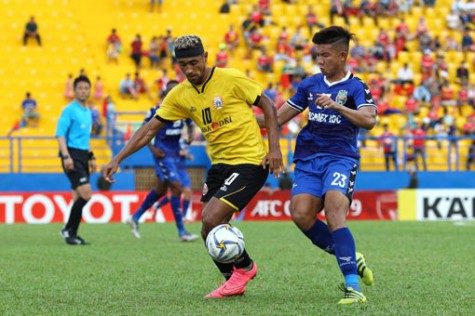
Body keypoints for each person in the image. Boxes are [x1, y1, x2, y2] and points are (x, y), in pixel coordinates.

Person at [103, 34, 283, 299]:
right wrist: (117, 158)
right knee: (206, 229)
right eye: (183, 65)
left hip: (250, 161)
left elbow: (266, 104)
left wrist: (274, 149)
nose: (189, 70)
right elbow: (148, 129)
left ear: (205, 58)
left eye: (194, 63)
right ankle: (232, 281)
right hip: (219, 164)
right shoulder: (180, 95)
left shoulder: (231, 78)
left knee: (212, 218)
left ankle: (245, 268)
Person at [257, 26, 375, 304]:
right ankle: (351, 256)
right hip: (309, 159)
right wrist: (234, 117)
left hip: (341, 159)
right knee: (300, 215)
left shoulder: (357, 87)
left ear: (342, 56)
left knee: (335, 213)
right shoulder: (310, 85)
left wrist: (338, 107)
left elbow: (369, 120)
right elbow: (276, 118)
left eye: (325, 55)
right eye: (317, 55)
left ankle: (353, 287)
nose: (320, 61)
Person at [127, 80, 198, 241]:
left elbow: (191, 124)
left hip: (177, 155)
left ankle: (135, 217)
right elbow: (144, 132)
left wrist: (191, 135)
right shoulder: (155, 111)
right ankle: (181, 231)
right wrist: (152, 149)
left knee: (160, 190)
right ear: (166, 94)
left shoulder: (183, 110)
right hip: (162, 154)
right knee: (176, 186)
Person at [56, 75, 97, 245]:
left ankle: (72, 234)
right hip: (71, 155)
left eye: (86, 88)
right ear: (74, 91)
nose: (83, 91)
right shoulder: (69, 110)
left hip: (82, 155)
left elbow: (84, 138)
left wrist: (91, 157)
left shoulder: (88, 112)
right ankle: (67, 230)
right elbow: (60, 134)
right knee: (86, 194)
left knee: (77, 198)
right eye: (80, 88)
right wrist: (66, 156)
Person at [152, 138, 195, 221]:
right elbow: (170, 153)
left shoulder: (183, 142)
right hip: (174, 169)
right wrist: (181, 153)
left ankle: (184, 216)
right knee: (175, 193)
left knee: (188, 192)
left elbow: (183, 153)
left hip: (183, 170)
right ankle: (157, 206)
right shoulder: (172, 141)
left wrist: (188, 156)